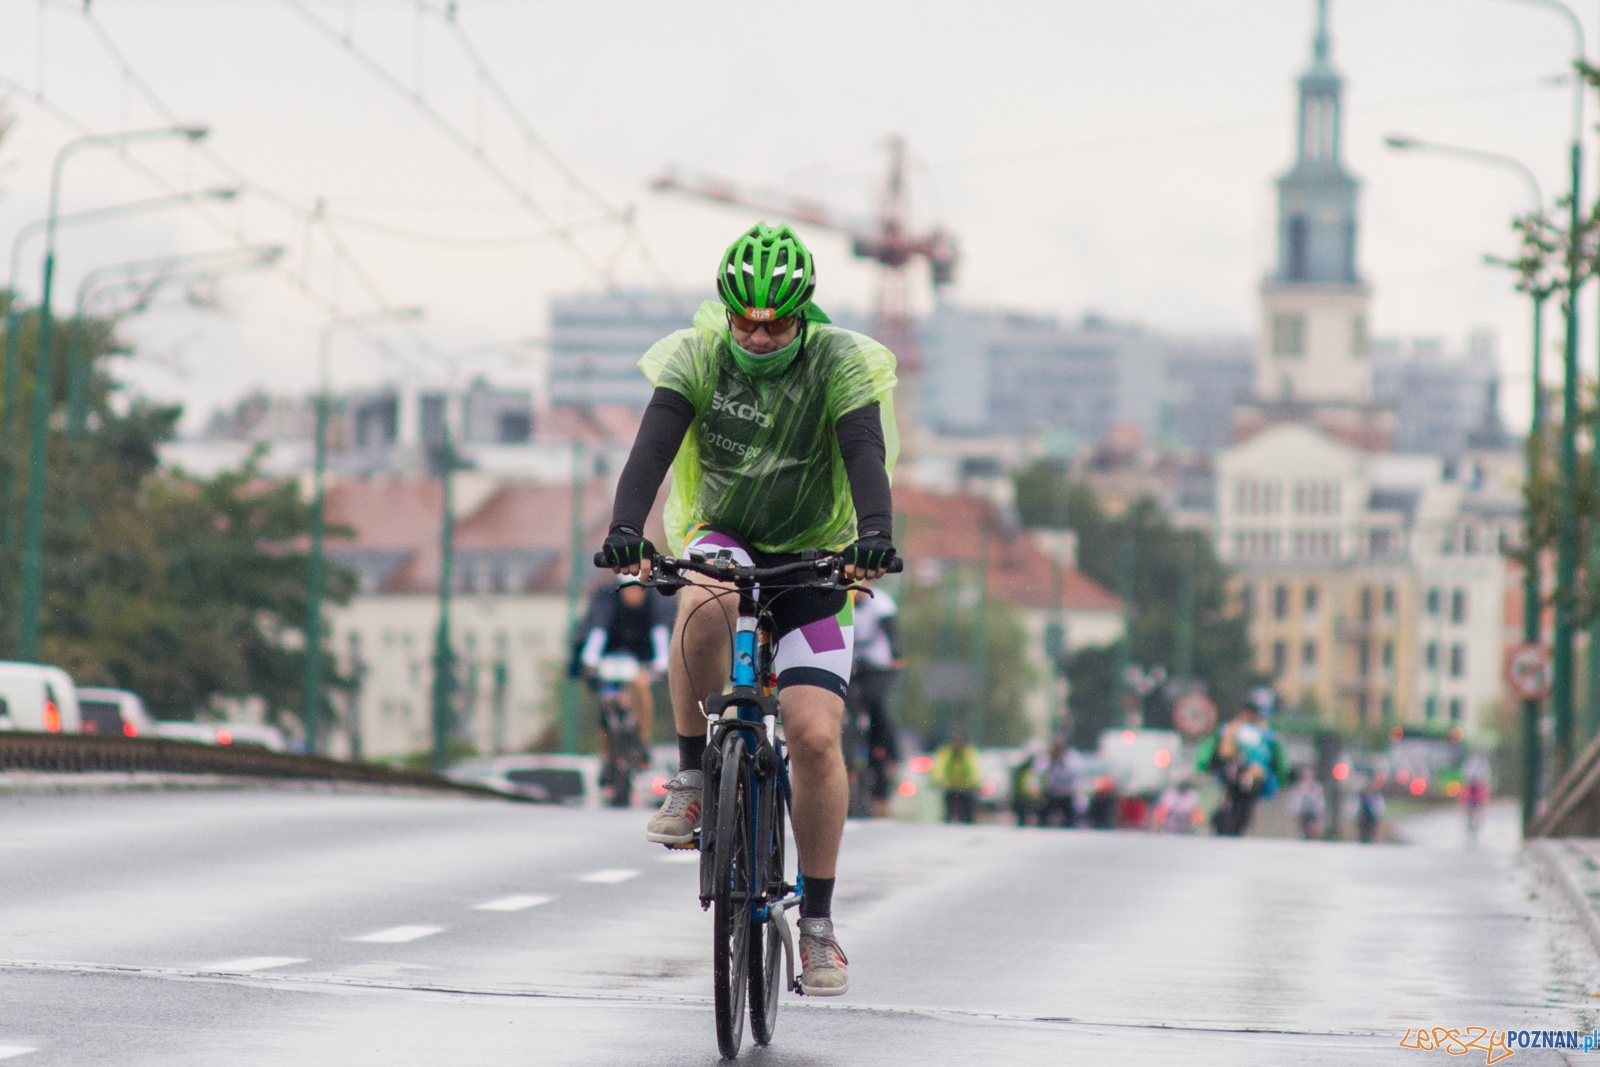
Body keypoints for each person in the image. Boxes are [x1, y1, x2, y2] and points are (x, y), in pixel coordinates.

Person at [599, 223, 899, 998]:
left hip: (814, 557)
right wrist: (626, 527)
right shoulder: (697, 356)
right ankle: (694, 775)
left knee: (814, 734)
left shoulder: (838, 361)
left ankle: (819, 924)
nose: (759, 336)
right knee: (703, 598)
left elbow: (864, 453)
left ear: (803, 316)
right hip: (724, 535)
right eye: (746, 321)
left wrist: (874, 536)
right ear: (727, 312)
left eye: (776, 323)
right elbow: (650, 452)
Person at [574, 575, 673, 750]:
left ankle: (643, 742)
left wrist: (662, 663)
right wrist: (590, 661)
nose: (634, 593)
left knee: (641, 686)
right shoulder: (606, 600)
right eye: (629, 588)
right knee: (606, 701)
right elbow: (598, 631)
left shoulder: (657, 602)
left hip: (642, 661)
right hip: (610, 659)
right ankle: (607, 753)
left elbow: (661, 633)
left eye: (639, 588)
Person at [846, 583, 903, 817]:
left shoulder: (880, 603)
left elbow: (891, 631)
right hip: (850, 665)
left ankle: (886, 749)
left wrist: (897, 653)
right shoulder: (843, 600)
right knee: (844, 707)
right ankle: (847, 753)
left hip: (878, 665)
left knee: (877, 705)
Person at [1197, 697, 1288, 837]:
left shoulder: (1229, 728)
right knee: (1244, 804)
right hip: (1253, 774)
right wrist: (1281, 778)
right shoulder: (1266, 732)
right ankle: (1234, 827)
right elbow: (1278, 759)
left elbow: (1209, 750)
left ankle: (1227, 825)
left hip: (1232, 772)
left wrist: (1205, 766)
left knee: (1231, 800)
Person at [931, 729, 983, 824]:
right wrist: (939, 780)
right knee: (949, 813)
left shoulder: (968, 753)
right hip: (951, 787)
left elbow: (974, 768)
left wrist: (975, 782)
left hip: (966, 787)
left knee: (967, 814)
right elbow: (939, 767)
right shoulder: (946, 752)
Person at [1039, 736, 1082, 828]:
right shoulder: (1047, 759)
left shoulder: (1070, 759)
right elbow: (1039, 772)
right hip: (1051, 793)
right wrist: (1051, 761)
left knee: (1070, 817)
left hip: (1065, 794)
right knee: (1043, 815)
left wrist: (1074, 789)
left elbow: (1075, 774)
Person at [1287, 767, 1325, 841]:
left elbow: (1320, 803)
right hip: (1301, 815)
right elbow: (1292, 805)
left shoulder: (1317, 788)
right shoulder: (1297, 788)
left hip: (1313, 814)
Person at [1357, 776, 1385, 843]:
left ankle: (1370, 840)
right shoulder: (1362, 796)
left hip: (1372, 816)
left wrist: (1377, 814)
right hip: (1364, 816)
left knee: (1370, 831)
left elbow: (1378, 806)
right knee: (1364, 831)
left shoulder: (1375, 795)